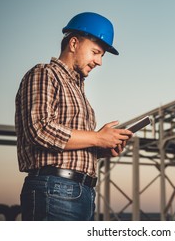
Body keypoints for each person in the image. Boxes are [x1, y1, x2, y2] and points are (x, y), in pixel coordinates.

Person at [15, 12, 133, 221]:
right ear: (74, 43)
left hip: (82, 193)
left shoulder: (79, 92)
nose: (99, 62)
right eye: (96, 52)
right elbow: (40, 130)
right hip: (54, 190)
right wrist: (97, 137)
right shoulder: (44, 73)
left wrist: (102, 148)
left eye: (101, 56)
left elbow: (70, 149)